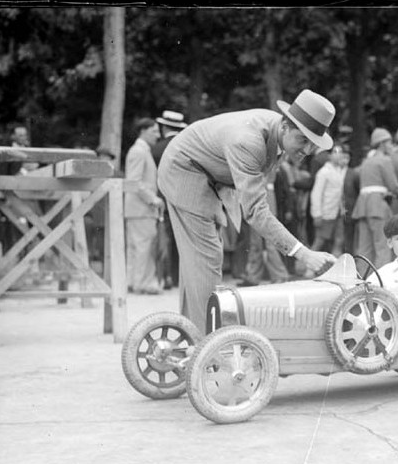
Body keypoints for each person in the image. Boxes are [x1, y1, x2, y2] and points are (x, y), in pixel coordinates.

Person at [157, 89, 337, 332]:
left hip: (209, 176)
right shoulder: (249, 140)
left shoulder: (276, 133)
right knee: (207, 257)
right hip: (185, 172)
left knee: (198, 262)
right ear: (285, 125)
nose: (306, 150)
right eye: (302, 140)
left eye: (313, 144)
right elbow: (255, 210)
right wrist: (304, 254)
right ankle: (207, 343)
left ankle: (192, 335)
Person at [351, 128, 398, 269]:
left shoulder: (366, 162)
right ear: (382, 143)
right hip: (377, 206)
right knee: (382, 246)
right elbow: (394, 186)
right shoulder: (384, 160)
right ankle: (380, 283)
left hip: (362, 206)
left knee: (364, 248)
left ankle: (362, 281)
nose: (391, 145)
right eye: (389, 142)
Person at [124, 117, 164, 295]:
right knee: (143, 247)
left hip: (136, 209)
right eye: (154, 131)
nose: (158, 135)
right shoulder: (139, 151)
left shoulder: (140, 150)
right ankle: (143, 283)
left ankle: (134, 281)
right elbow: (134, 181)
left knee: (137, 247)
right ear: (143, 131)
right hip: (141, 208)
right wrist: (153, 199)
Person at [151, 110, 188, 289]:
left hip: (163, 197)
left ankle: (166, 276)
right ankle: (181, 276)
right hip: (186, 198)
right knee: (184, 239)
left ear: (164, 126)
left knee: (165, 238)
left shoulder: (156, 148)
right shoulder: (186, 146)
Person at [238, 166, 292, 286]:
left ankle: (279, 275)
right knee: (257, 242)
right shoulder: (267, 162)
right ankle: (255, 275)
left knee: (268, 241)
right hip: (260, 194)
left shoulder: (268, 162)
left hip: (263, 196)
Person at [310, 144, 349, 255]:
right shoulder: (323, 172)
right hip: (325, 211)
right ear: (330, 156)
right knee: (320, 240)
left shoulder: (340, 171)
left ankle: (336, 266)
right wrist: (317, 214)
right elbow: (316, 193)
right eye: (335, 152)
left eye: (340, 153)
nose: (338, 155)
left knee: (339, 240)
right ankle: (309, 267)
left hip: (338, 211)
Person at [340, 145, 360, 256]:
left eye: (347, 157)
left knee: (349, 238)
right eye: (342, 156)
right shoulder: (330, 171)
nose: (344, 159)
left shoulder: (353, 174)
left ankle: (349, 259)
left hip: (349, 211)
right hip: (332, 211)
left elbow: (358, 192)